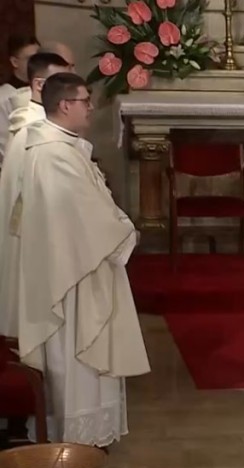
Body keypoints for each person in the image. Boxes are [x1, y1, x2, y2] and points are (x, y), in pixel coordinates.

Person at [17, 73, 148, 447]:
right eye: (84, 101)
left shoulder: (60, 147)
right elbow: (86, 216)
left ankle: (86, 433)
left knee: (82, 349)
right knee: (78, 353)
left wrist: (117, 226)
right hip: (73, 271)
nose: (90, 108)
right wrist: (125, 232)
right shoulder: (53, 154)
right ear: (64, 105)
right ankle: (78, 436)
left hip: (80, 261)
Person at [0, 52, 73, 338]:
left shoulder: (40, 123)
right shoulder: (34, 130)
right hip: (33, 226)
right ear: (40, 85)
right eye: (60, 82)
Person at [0, 34, 39, 167]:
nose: (36, 64)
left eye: (38, 58)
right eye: (30, 59)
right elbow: (4, 145)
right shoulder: (3, 97)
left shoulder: (46, 89)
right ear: (15, 62)